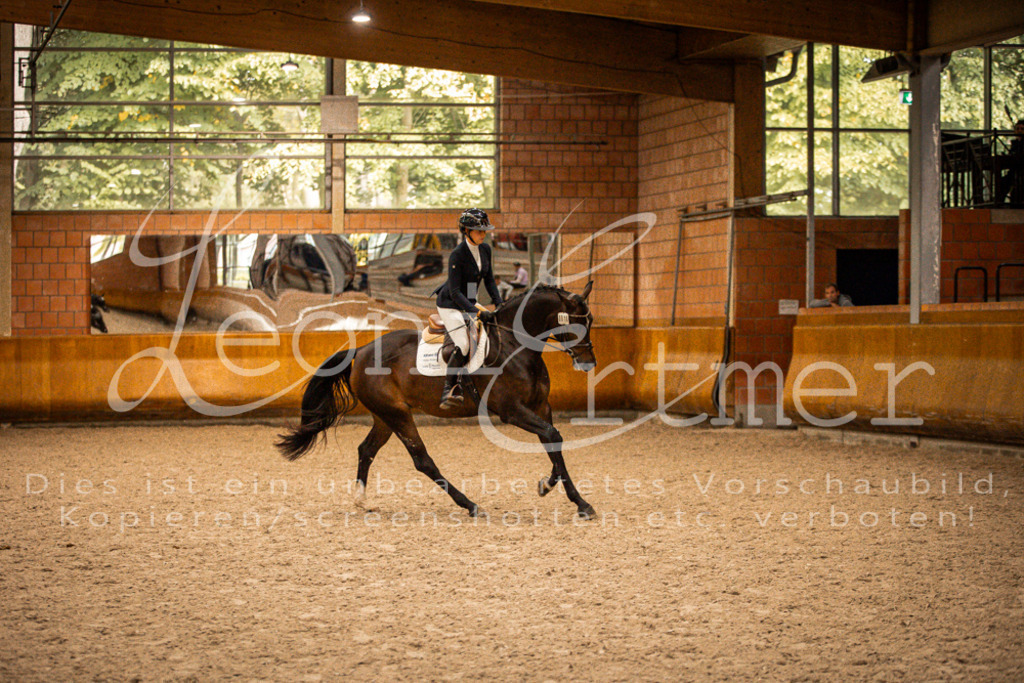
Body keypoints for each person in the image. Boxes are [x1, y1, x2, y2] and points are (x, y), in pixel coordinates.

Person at [432, 208, 503, 408]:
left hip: (469, 301)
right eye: (478, 231)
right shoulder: (457, 255)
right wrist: (478, 312)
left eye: (484, 231)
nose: (483, 234)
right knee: (463, 344)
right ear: (466, 231)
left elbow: (489, 280)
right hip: (450, 305)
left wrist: (499, 304)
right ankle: (449, 389)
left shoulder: (486, 249)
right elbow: (455, 292)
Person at [997, 119, 1024, 205]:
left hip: (1021, 171)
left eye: (1022, 129)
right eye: (1017, 128)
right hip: (1014, 171)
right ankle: (999, 202)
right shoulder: (1015, 143)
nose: (1019, 131)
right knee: (1003, 182)